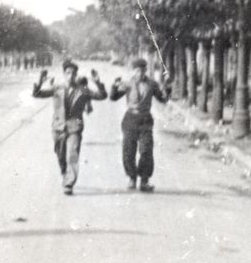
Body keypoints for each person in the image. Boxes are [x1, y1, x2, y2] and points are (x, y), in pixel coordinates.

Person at [32, 60, 107, 195]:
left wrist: (98, 82)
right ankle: (64, 171)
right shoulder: (57, 88)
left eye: (73, 73)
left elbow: (102, 96)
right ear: (64, 74)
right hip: (58, 127)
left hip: (74, 127)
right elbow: (37, 94)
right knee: (60, 155)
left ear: (76, 74)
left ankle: (68, 183)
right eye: (68, 73)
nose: (71, 76)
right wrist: (40, 82)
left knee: (72, 155)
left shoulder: (83, 90)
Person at [109, 58, 170, 192]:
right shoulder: (127, 84)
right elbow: (113, 98)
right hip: (130, 118)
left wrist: (166, 89)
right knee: (128, 151)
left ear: (146, 70)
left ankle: (144, 180)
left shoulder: (152, 84)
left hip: (145, 120)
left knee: (146, 150)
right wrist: (114, 86)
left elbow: (162, 99)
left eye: (142, 70)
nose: (140, 73)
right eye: (137, 70)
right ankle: (132, 177)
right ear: (133, 71)